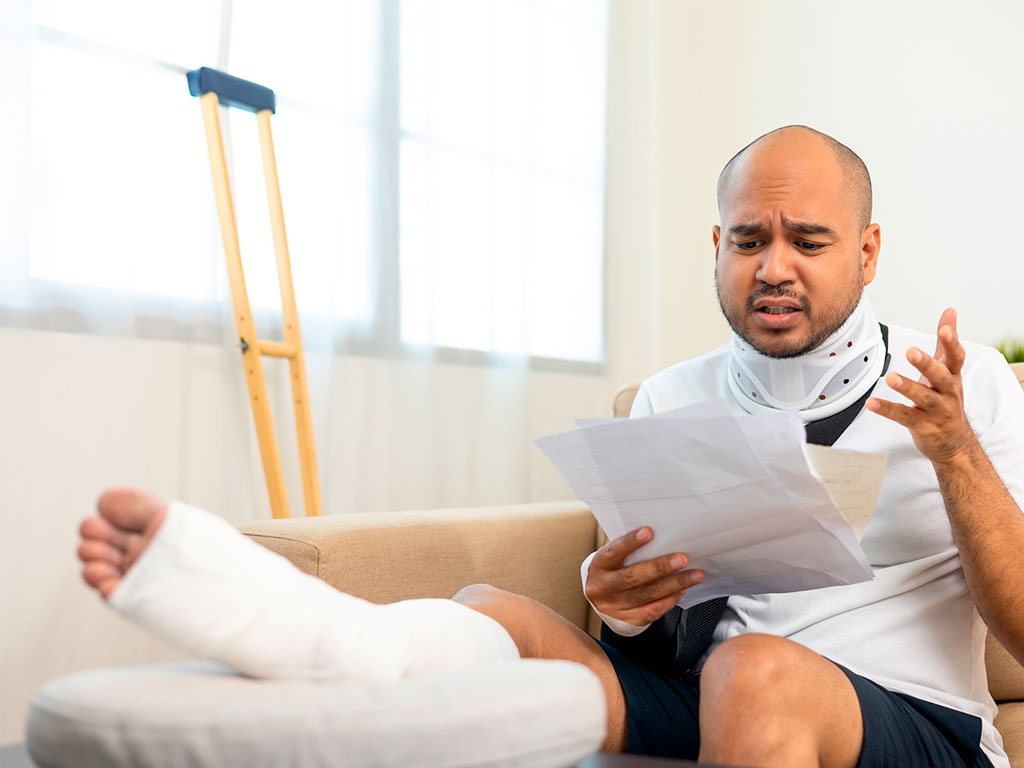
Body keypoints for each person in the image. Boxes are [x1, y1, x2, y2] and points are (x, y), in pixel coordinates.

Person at [79, 126, 1024, 768]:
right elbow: (656, 624)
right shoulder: (670, 395)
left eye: (808, 241)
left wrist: (955, 456)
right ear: (717, 247)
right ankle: (340, 643)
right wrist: (620, 611)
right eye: (749, 238)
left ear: (866, 251)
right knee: (490, 610)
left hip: (915, 724)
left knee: (754, 670)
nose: (773, 266)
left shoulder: (966, 381)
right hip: (714, 697)